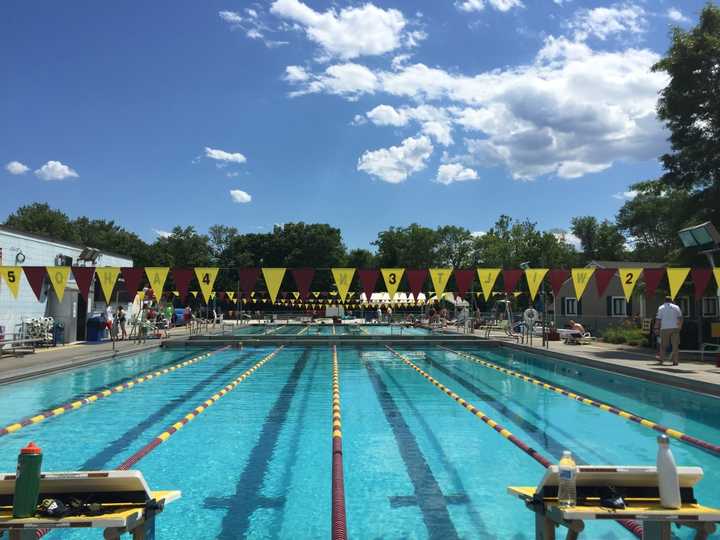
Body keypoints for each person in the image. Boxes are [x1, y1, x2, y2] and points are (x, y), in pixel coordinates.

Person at [655, 296, 683, 366]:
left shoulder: (661, 307)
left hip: (665, 328)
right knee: (675, 345)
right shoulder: (676, 307)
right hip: (675, 328)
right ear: (671, 301)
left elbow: (658, 319)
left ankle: (661, 360)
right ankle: (675, 361)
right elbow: (680, 318)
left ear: (664, 301)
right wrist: (680, 326)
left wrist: (656, 328)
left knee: (663, 345)